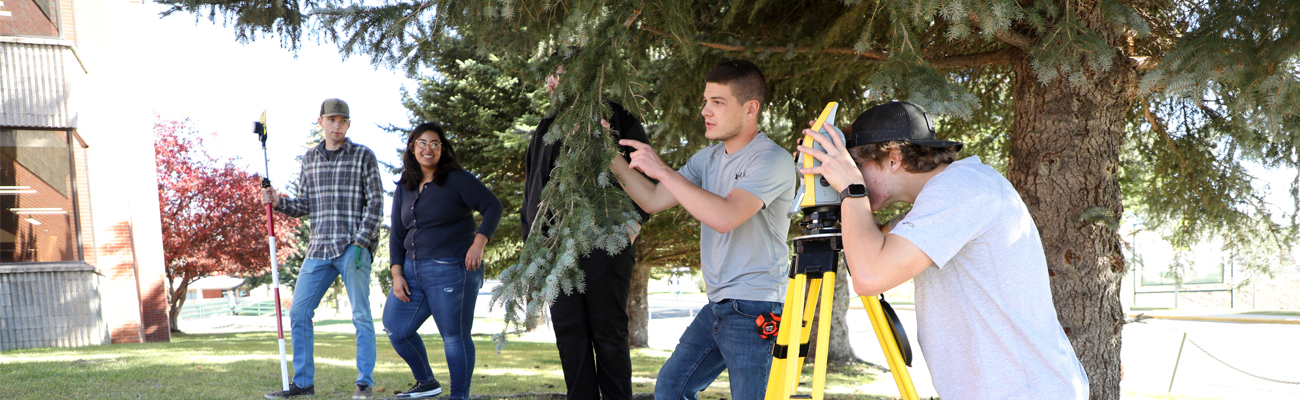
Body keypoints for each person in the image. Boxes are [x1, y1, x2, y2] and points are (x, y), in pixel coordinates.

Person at [795, 101, 1089, 399]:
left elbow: (870, 274)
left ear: (893, 157)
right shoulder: (939, 200)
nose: (852, 174)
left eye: (856, 165)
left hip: (1023, 391)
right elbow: (868, 243)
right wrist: (831, 185)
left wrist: (850, 187)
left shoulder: (962, 188)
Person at [609, 59, 796, 400]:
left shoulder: (771, 159)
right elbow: (651, 198)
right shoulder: (707, 158)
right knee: (671, 388)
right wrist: (608, 154)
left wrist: (664, 170)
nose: (705, 111)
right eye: (706, 101)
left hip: (756, 306)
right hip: (719, 306)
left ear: (750, 108)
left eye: (718, 102)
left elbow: (725, 217)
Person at [522, 64, 651, 400]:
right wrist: (533, 245)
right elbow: (533, 191)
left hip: (606, 245)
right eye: (550, 76)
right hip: (553, 250)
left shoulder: (618, 118)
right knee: (569, 334)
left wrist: (631, 225)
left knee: (608, 333)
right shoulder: (545, 128)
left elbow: (647, 177)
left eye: (562, 75)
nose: (553, 82)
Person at [262, 98, 385, 400]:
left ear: (348, 124)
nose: (337, 125)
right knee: (300, 311)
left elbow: (376, 203)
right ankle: (303, 382)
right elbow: (305, 205)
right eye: (331, 119)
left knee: (361, 316)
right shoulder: (309, 159)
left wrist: (361, 240)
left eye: (342, 120)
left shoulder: (362, 156)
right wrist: (278, 202)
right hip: (318, 249)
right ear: (321, 122)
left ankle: (364, 383)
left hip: (352, 248)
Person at [384, 123, 503, 399]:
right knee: (396, 328)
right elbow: (398, 232)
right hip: (412, 271)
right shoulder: (406, 184)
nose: (429, 148)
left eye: (435, 143)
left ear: (443, 149)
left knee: (454, 337)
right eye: (422, 143)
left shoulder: (457, 179)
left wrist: (479, 242)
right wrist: (397, 272)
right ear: (413, 147)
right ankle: (426, 382)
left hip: (452, 270)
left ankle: (458, 396)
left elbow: (492, 206)